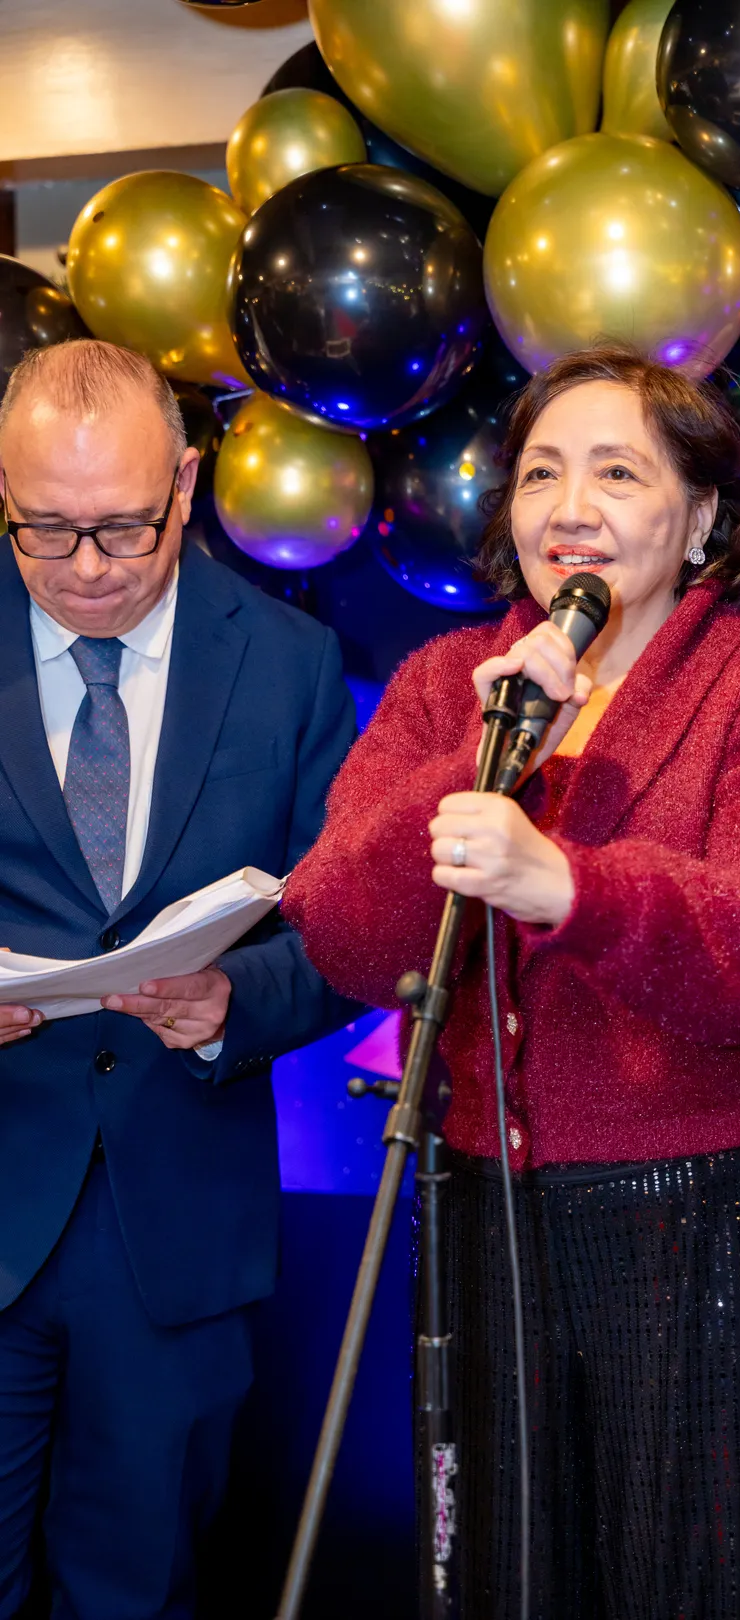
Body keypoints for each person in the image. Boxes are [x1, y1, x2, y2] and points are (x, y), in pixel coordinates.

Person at [284, 344, 740, 1619]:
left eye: (619, 472)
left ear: (706, 515)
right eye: (543, 473)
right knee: (509, 1571)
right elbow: (337, 929)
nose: (572, 508)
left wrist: (572, 889)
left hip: (711, 1223)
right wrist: (480, 758)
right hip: (483, 1217)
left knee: (706, 1579)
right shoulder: (453, 687)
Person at [0, 339, 359, 1620]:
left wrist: (234, 1007)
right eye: (44, 533)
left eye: (121, 530)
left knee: (137, 1589)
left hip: (177, 1230)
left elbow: (349, 929)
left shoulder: (287, 664)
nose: (86, 570)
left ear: (189, 484)